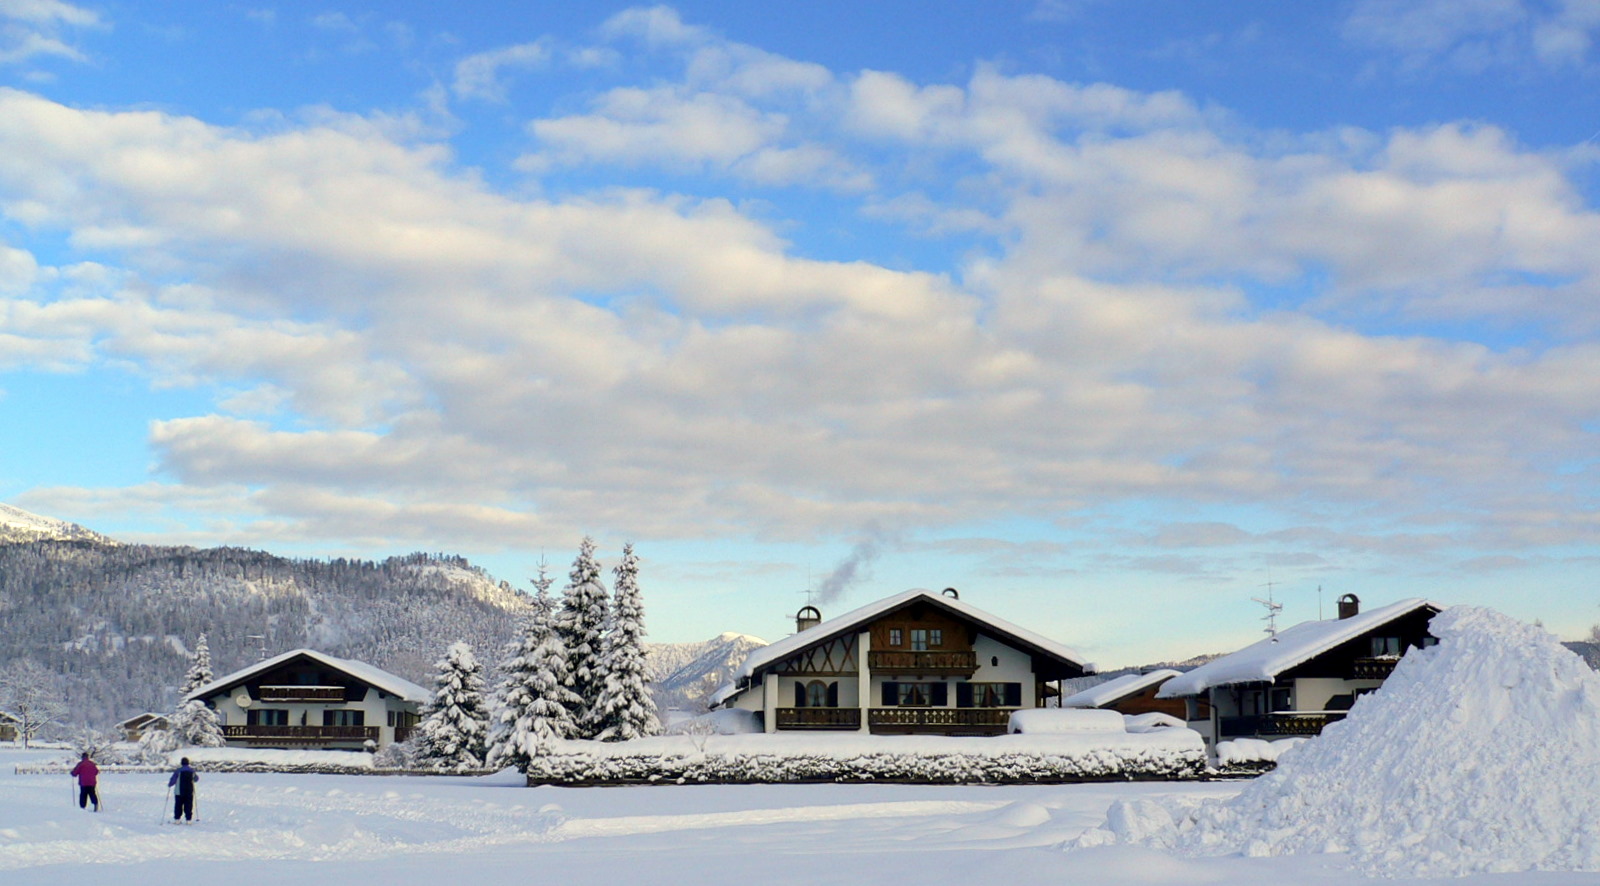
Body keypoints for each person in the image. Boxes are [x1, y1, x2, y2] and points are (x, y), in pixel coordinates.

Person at [168, 756, 199, 822]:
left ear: (181, 763)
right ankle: (188, 820)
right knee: (188, 805)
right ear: (188, 763)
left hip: (179, 792)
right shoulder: (192, 771)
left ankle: (177, 819)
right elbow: (196, 779)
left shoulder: (178, 771)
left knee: (178, 805)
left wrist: (170, 784)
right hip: (189, 791)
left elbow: (173, 780)